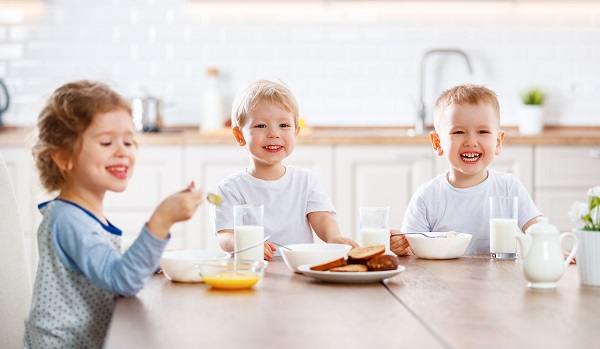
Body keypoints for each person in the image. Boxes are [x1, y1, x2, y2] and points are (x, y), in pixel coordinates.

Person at [23, 80, 203, 348]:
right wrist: (161, 221)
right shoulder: (69, 219)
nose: (122, 151)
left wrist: (154, 258)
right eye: (107, 142)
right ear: (63, 158)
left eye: (129, 142)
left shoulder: (80, 213)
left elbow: (105, 264)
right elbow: (121, 280)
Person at [210, 79, 358, 260]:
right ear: (240, 135)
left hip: (298, 271)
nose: (274, 134)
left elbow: (321, 218)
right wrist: (242, 244)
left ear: (296, 131)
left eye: (284, 125)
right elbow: (225, 235)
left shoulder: (305, 180)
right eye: (261, 126)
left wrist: (333, 237)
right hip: (252, 271)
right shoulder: (230, 188)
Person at [391, 84, 541, 256]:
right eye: (459, 132)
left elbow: (536, 228)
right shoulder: (427, 196)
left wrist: (549, 246)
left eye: (483, 131)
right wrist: (401, 248)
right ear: (437, 143)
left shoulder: (508, 187)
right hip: (443, 281)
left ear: (498, 142)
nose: (471, 141)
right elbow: (412, 249)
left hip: (498, 280)